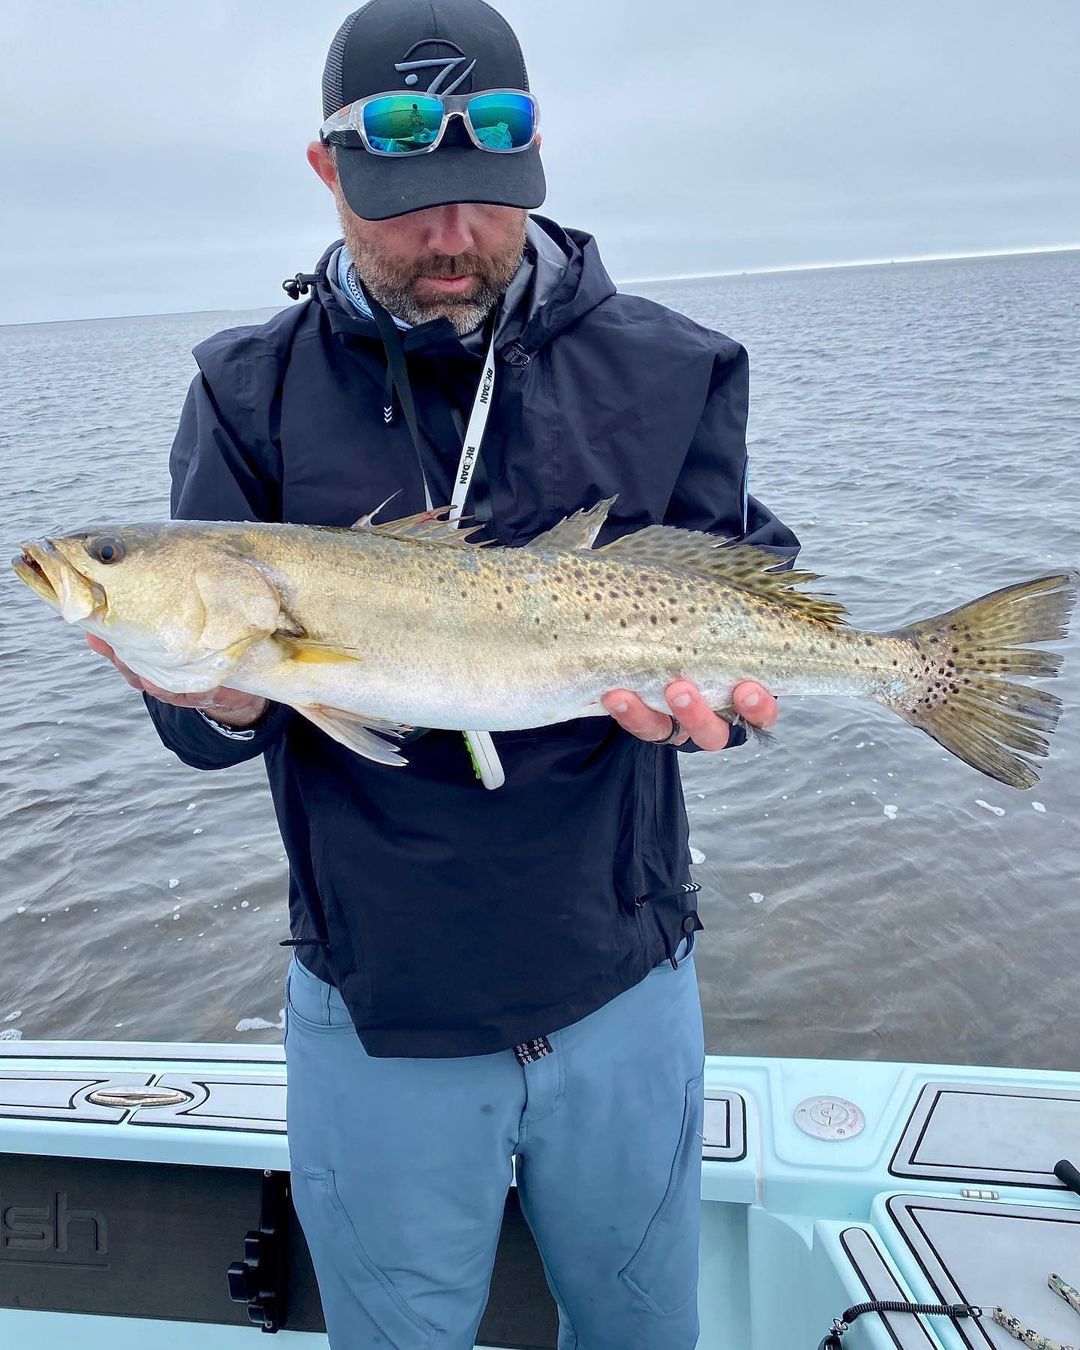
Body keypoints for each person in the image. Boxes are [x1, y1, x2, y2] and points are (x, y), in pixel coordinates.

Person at [89, 1, 798, 1345]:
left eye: (485, 200)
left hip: (624, 973)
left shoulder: (675, 368)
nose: (452, 238)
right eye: (409, 205)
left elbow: (740, 597)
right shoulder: (245, 396)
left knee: (646, 1330)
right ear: (327, 174)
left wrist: (725, 714)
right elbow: (199, 729)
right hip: (379, 1001)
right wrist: (231, 696)